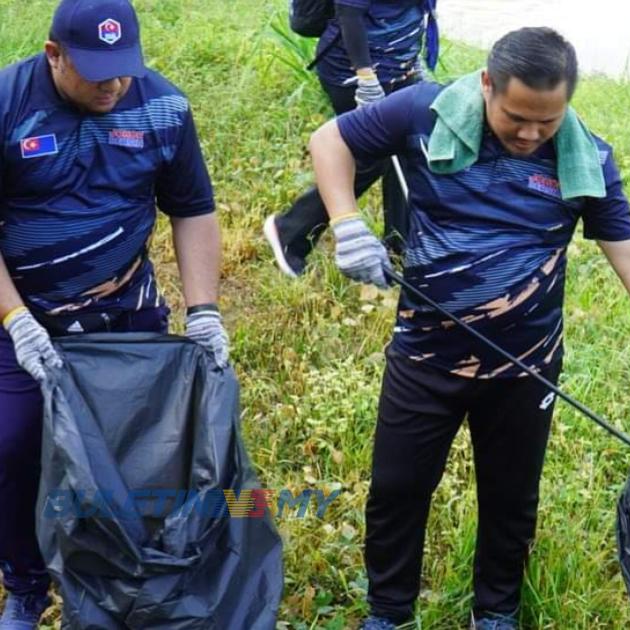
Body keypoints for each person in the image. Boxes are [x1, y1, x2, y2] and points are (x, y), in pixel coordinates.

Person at [307, 27, 630, 630]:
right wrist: (346, 222)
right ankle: (388, 613)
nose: (531, 134)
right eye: (516, 117)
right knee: (396, 489)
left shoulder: (585, 158)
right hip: (424, 355)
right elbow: (330, 139)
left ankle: (496, 613)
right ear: (486, 85)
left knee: (511, 500)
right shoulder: (422, 112)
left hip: (527, 365)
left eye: (548, 120)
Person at [0, 1, 227, 627]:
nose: (114, 85)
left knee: (136, 449)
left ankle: (120, 579)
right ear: (53, 55)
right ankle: (25, 583)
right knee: (13, 445)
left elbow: (193, 209)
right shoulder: (6, 104)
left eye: (123, 69)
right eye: (97, 73)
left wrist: (203, 309)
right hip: (25, 315)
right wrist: (16, 318)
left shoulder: (162, 106)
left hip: (125, 312)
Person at [263, 0, 438, 277]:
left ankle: (399, 246)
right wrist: (366, 80)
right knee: (371, 159)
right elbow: (349, 14)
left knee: (408, 148)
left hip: (400, 68)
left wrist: (414, 59)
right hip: (354, 71)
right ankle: (289, 231)